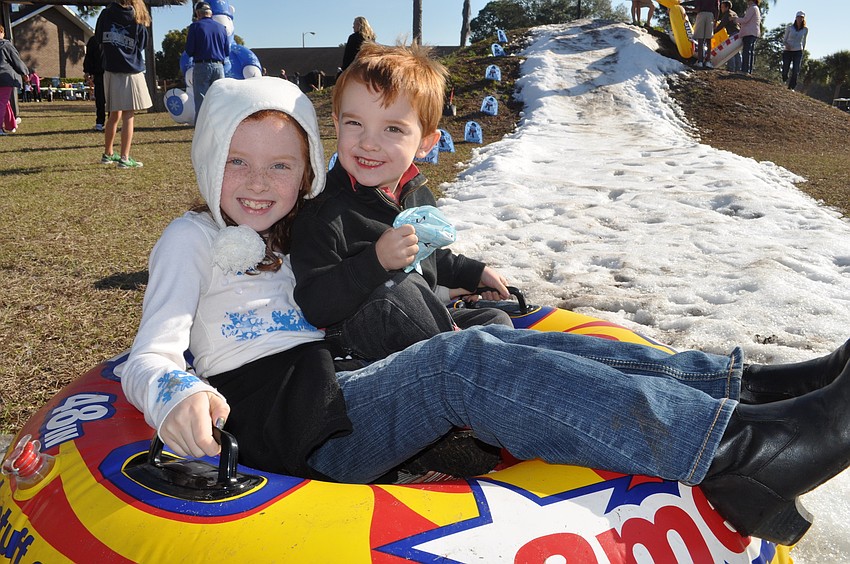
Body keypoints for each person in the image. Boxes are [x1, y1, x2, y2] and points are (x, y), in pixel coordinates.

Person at [119, 73, 850, 548]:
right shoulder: (193, 240)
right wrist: (176, 391)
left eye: (281, 164)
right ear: (207, 159)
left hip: (341, 390)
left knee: (519, 346)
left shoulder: (293, 235)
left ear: (307, 169)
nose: (257, 182)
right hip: (292, 433)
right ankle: (740, 453)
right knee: (460, 363)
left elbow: (379, 286)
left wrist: (454, 277)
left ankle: (741, 388)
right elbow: (152, 353)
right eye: (236, 161)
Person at [290, 43, 513, 362]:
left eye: (392, 129)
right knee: (401, 288)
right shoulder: (323, 212)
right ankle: (468, 360)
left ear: (425, 143)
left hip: (421, 326)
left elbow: (429, 254)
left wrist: (473, 272)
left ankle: (467, 352)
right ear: (337, 126)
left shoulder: (416, 192)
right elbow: (314, 304)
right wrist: (375, 262)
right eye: (355, 124)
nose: (368, 142)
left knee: (495, 320)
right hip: (355, 340)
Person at [95, 0, 153, 168]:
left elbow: (98, 37)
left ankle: (108, 153)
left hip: (110, 69)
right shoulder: (139, 16)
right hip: (130, 70)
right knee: (129, 115)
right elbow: (142, 44)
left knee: (114, 115)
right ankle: (125, 158)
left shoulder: (106, 14)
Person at [185, 1, 229, 122]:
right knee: (220, 99)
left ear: (198, 14)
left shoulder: (195, 27)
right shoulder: (221, 28)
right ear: (210, 13)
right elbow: (227, 51)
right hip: (219, 66)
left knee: (201, 101)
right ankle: (221, 125)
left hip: (202, 65)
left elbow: (189, 50)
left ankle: (202, 130)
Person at [0, 24, 27, 135]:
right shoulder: (6, 45)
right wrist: (25, 73)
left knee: (4, 102)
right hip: (5, 77)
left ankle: (11, 124)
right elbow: (16, 60)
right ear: (2, 32)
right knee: (2, 102)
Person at [83, 35, 106, 131]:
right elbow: (89, 56)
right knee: (100, 99)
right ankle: (100, 122)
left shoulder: (114, 38)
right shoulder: (94, 40)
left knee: (113, 100)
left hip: (113, 72)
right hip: (99, 73)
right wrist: (87, 71)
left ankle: (111, 122)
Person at [782, 11, 808, 91]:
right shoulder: (790, 27)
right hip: (788, 50)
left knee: (796, 69)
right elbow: (784, 39)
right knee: (786, 66)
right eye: (799, 17)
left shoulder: (805, 29)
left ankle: (791, 86)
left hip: (797, 51)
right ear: (796, 18)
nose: (800, 19)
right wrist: (787, 45)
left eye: (802, 17)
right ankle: (784, 77)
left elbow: (804, 40)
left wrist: (802, 49)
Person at [736, 0, 761, 75]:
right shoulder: (755, 8)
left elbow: (745, 20)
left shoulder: (752, 8)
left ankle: (745, 70)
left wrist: (735, 19)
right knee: (750, 52)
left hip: (749, 33)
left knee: (746, 52)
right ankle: (748, 70)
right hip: (753, 32)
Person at [715, 1, 741, 72]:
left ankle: (731, 68)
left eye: (722, 7)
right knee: (736, 52)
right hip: (739, 34)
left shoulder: (727, 15)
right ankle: (738, 69)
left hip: (733, 34)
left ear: (727, 7)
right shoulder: (734, 13)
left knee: (729, 51)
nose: (721, 9)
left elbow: (721, 26)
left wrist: (713, 33)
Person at [692, 0, 719, 68]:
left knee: (700, 40)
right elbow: (717, 8)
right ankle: (708, 61)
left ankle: (700, 61)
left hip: (701, 14)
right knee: (708, 39)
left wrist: (686, 9)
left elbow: (697, 9)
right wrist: (715, 20)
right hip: (710, 16)